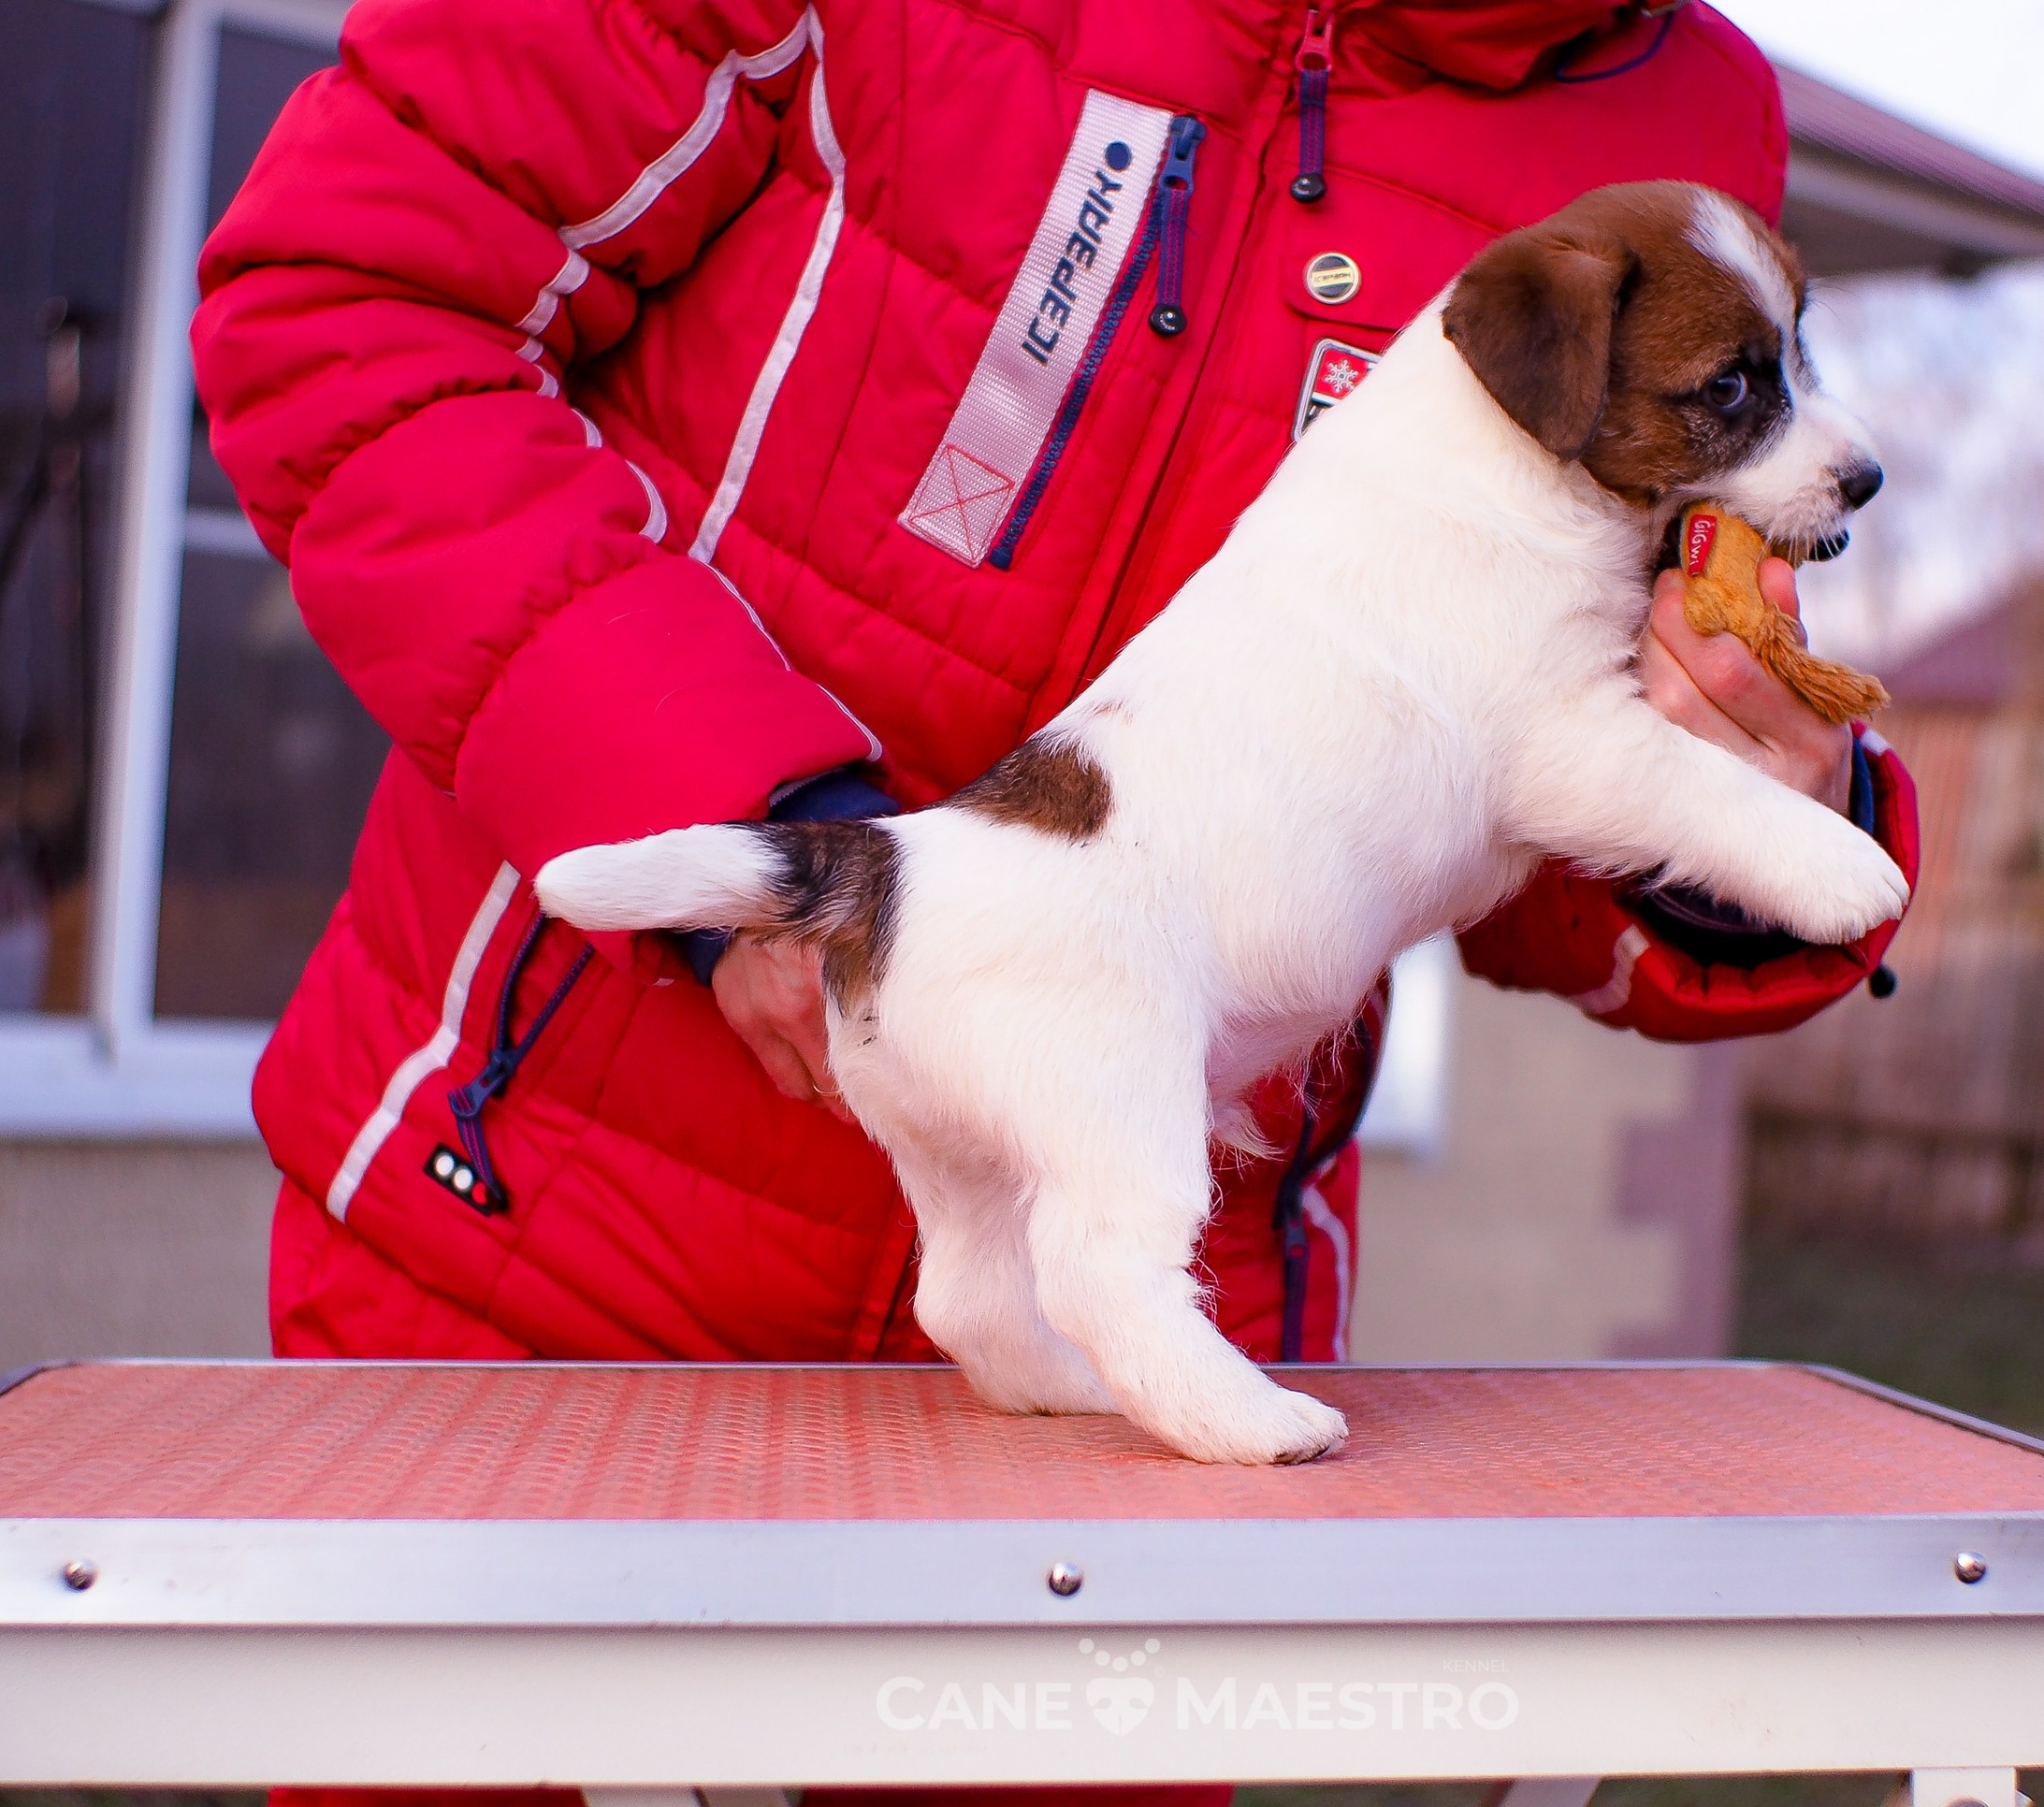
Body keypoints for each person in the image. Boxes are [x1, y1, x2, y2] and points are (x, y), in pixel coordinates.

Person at [192, 1, 1914, 1800]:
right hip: (551, 1235)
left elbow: (1504, 783)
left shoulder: (1685, 116)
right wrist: (725, 818)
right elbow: (348, 307)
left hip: (1123, 1372)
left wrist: (1751, 834)